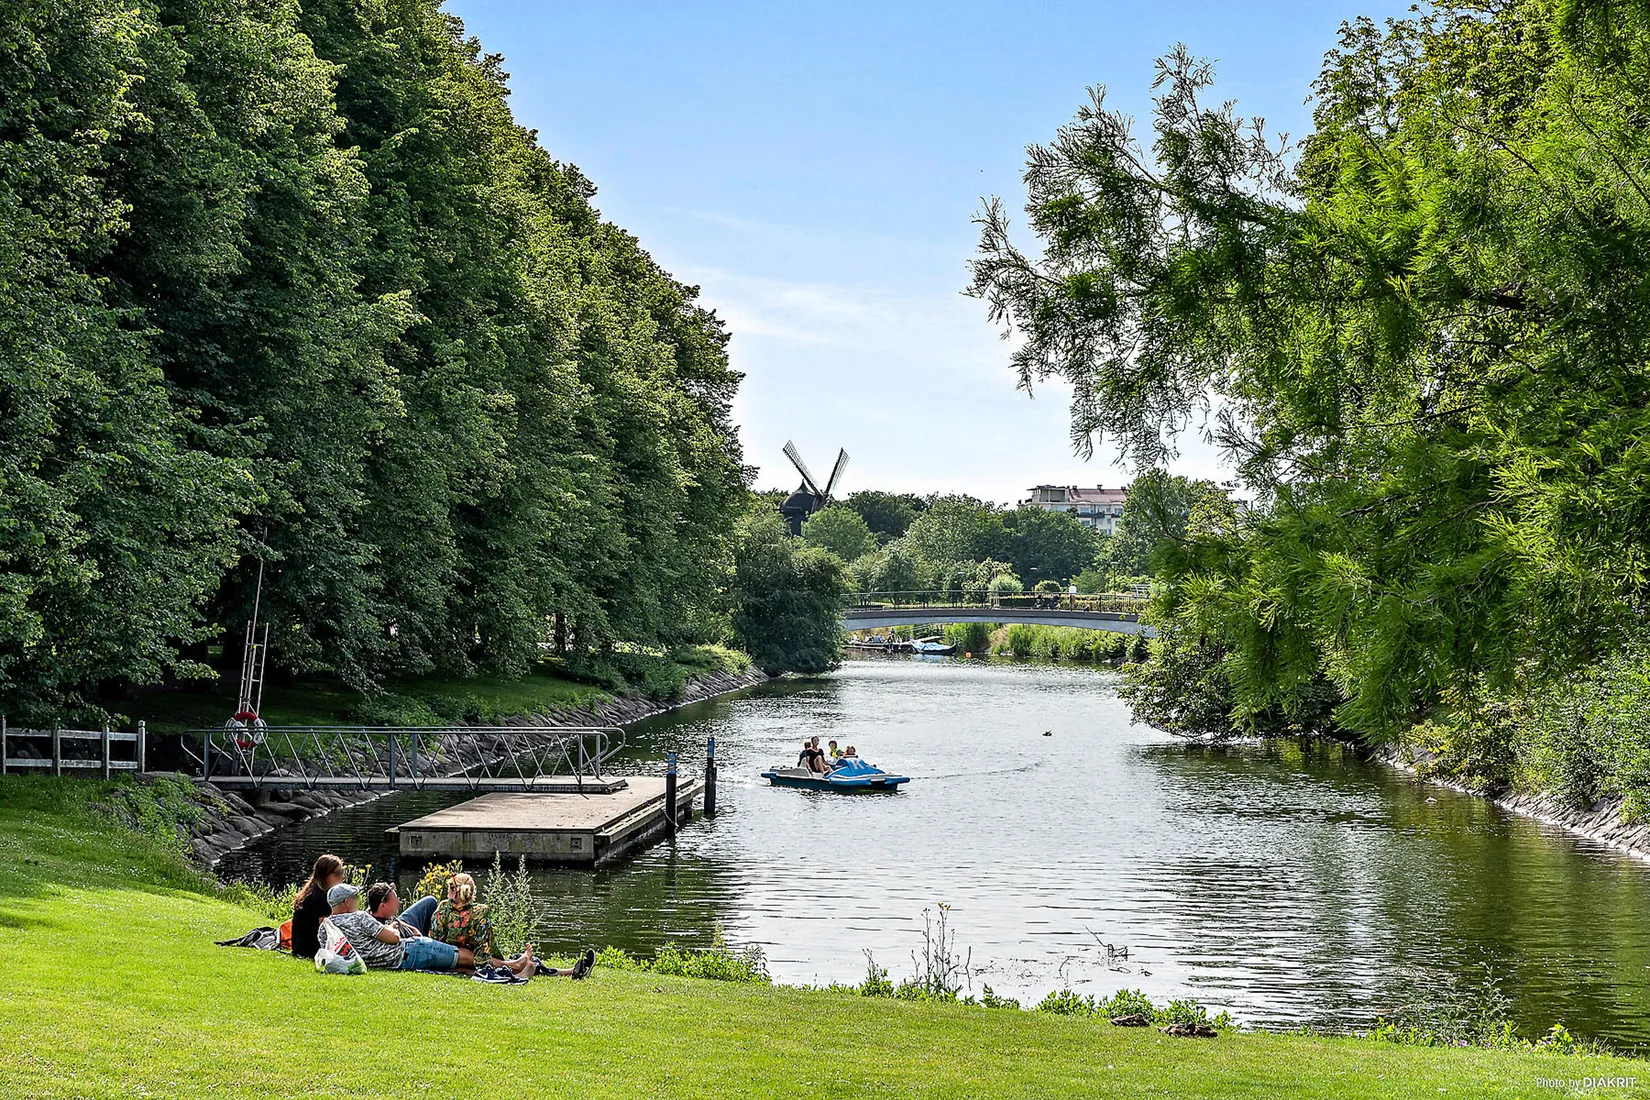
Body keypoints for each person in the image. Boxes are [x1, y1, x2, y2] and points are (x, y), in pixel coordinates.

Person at [326, 883, 533, 977]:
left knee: (459, 968)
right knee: (467, 956)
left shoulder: (326, 927)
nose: (357, 900)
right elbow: (393, 939)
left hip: (391, 963)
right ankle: (512, 966)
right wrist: (393, 926)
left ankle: (512, 972)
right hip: (409, 952)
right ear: (346, 902)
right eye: (354, 897)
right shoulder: (360, 917)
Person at [431, 873, 593, 979]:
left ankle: (570, 971)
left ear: (453, 890)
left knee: (519, 962)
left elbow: (434, 940)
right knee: (515, 963)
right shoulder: (480, 911)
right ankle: (565, 971)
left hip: (451, 960)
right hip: (468, 961)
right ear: (471, 893)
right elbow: (483, 949)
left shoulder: (443, 909)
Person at [290, 854, 344, 960]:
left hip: (304, 947)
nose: (341, 877)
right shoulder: (315, 900)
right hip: (309, 949)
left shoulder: (315, 894)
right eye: (337, 874)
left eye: (341, 873)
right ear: (324, 876)